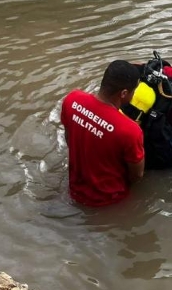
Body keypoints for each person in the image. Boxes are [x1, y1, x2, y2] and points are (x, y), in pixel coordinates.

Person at [61, 60, 145, 206]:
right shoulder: (130, 130)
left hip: (74, 189)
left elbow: (68, 139)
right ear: (124, 93)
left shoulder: (72, 100)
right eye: (134, 90)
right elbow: (137, 175)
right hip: (109, 201)